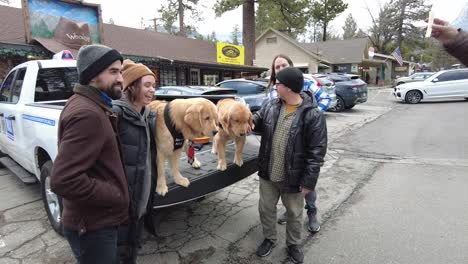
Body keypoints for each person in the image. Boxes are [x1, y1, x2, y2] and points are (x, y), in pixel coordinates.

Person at [50, 44, 129, 264]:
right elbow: (63, 179)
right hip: (93, 228)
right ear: (93, 75)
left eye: (120, 71)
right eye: (113, 72)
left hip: (95, 223)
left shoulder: (93, 105)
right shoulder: (87, 114)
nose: (121, 78)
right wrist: (115, 194)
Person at [253, 67, 327, 263]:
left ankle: (293, 244)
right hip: (268, 172)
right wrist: (242, 120)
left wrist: (309, 181)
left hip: (293, 177)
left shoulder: (313, 115)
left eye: (278, 84)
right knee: (265, 209)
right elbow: (256, 121)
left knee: (294, 213)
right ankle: (269, 239)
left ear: (289, 88)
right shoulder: (271, 106)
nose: (275, 87)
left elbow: (317, 153)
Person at [267, 54, 330, 233]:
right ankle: (290, 211)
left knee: (307, 182)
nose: (280, 69)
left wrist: (311, 118)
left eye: (283, 65)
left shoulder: (306, 84)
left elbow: (326, 99)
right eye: (277, 67)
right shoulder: (274, 91)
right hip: (284, 147)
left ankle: (311, 213)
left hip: (304, 144)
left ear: (291, 65)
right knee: (288, 184)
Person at [113, 59, 157, 264]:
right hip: (121, 204)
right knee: (119, 252)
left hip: (141, 199)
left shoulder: (147, 114)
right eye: (147, 85)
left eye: (154, 86)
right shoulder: (116, 114)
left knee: (132, 249)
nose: (152, 90)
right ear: (131, 86)